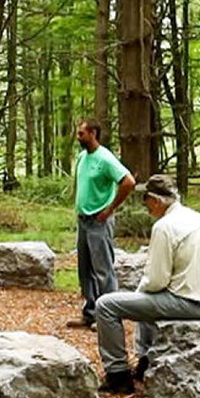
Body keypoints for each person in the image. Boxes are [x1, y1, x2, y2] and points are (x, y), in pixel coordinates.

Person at [94, 174, 200, 393]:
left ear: (155, 201)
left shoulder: (165, 227)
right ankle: (146, 360)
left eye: (146, 200)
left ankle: (117, 374)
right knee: (146, 299)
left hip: (188, 302)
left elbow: (156, 280)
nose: (146, 207)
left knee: (106, 305)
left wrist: (138, 293)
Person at [72, 118, 136, 327]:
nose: (78, 137)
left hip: (99, 221)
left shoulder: (105, 158)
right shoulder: (82, 157)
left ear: (92, 133)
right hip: (83, 220)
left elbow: (128, 181)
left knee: (103, 270)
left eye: (81, 133)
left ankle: (108, 316)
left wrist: (110, 209)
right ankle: (90, 312)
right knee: (85, 270)